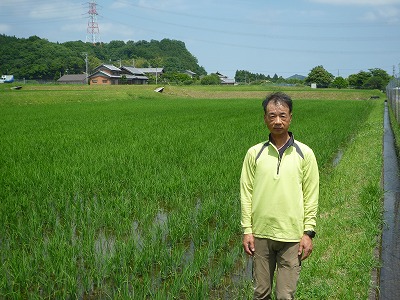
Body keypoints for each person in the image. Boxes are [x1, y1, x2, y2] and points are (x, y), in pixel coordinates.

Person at [240, 92, 319, 299]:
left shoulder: (305, 154)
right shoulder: (254, 153)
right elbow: (246, 193)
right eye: (272, 115)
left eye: (282, 115)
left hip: (292, 236)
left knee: (285, 296)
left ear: (291, 117)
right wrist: (247, 230)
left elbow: (311, 195)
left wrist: (308, 233)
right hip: (261, 234)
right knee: (261, 293)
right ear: (265, 118)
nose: (277, 121)